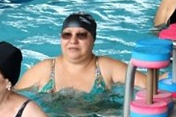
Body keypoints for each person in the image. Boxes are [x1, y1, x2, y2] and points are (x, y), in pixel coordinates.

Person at [16, 13, 146, 94]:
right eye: (67, 34)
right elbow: (12, 97)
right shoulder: (45, 69)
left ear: (93, 39)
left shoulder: (106, 67)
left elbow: (149, 85)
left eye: (81, 35)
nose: (73, 41)